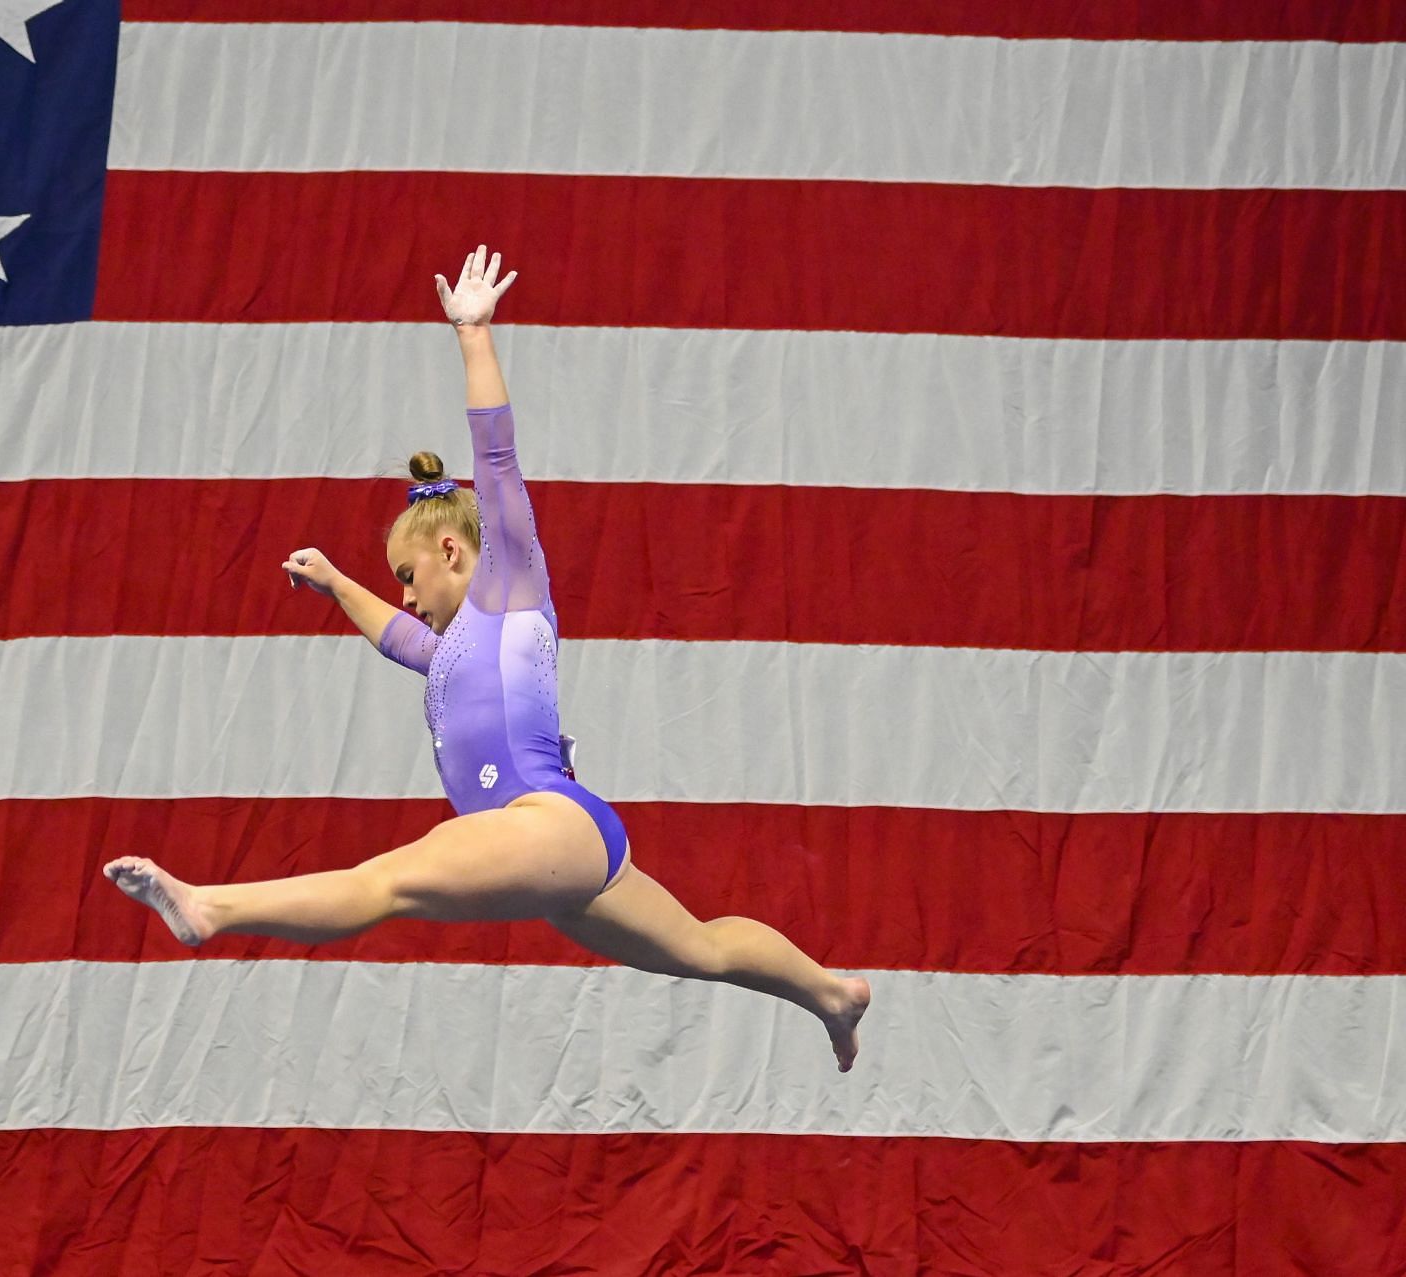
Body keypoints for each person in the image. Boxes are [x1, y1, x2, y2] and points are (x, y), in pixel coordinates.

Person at [105, 245, 871, 1071]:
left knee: (387, 881)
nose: (403, 596)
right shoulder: (457, 647)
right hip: (566, 842)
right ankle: (832, 992)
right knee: (703, 948)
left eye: (409, 576)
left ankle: (211, 907)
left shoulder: (510, 588)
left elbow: (497, 463)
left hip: (545, 820)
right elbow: (405, 643)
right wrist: (336, 585)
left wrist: (473, 335)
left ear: (451, 549)